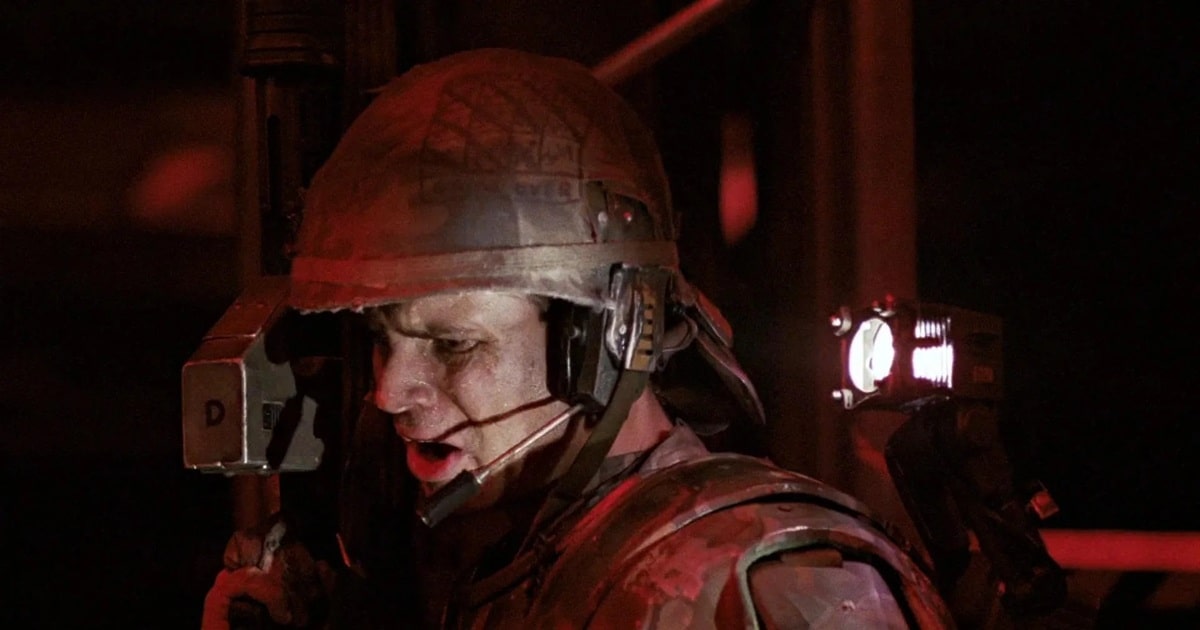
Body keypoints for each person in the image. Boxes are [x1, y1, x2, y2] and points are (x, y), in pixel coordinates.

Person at [203, 47, 953, 629]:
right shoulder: (501, 567)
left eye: (454, 344)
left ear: (612, 330)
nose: (390, 391)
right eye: (381, 338)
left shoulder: (764, 588)